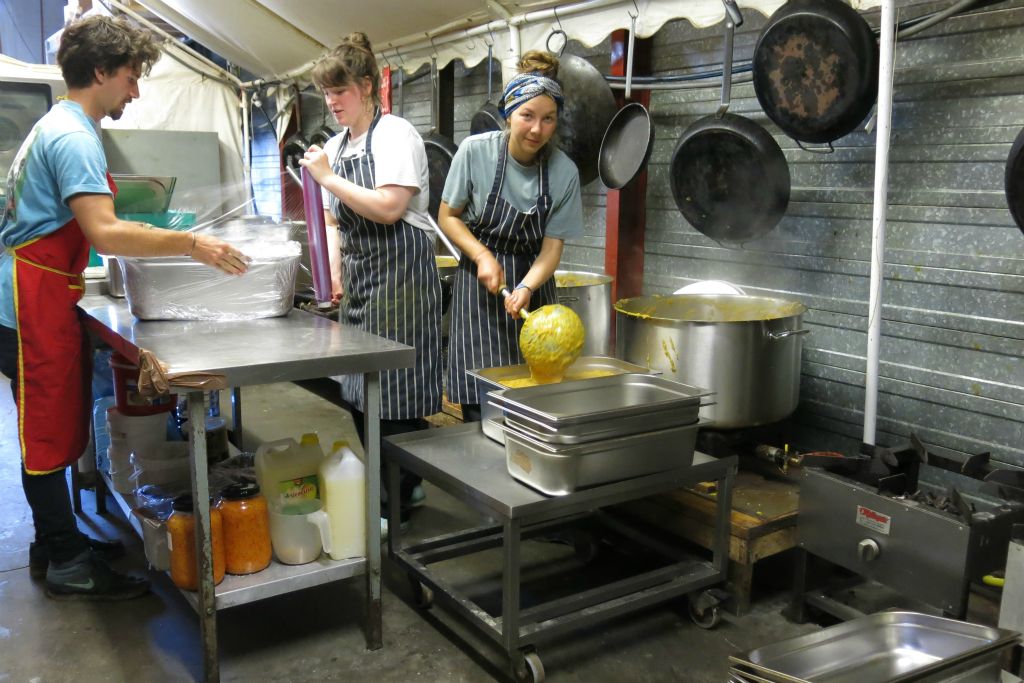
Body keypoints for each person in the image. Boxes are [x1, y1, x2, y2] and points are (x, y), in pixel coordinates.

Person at [0, 15, 249, 601]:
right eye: (131, 78)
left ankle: (54, 539)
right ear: (101, 72)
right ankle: (64, 560)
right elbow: (105, 233)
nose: (135, 92)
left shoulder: (59, 124)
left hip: (38, 288)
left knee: (57, 426)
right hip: (28, 299)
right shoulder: (73, 136)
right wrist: (193, 243)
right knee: (46, 431)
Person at [299, 33, 442, 532]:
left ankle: (394, 500)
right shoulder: (337, 146)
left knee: (398, 391)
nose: (332, 102)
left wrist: (326, 177)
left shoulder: (395, 134)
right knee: (359, 388)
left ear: (367, 87)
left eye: (340, 91)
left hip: (402, 275)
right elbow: (335, 221)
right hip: (361, 280)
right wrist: (335, 275)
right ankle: (398, 485)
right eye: (326, 93)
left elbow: (388, 207)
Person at [438, 50, 584, 420]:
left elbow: (552, 248)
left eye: (548, 119)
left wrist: (526, 288)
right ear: (508, 112)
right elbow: (448, 217)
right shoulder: (475, 153)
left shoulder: (564, 171)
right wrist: (484, 256)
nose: (537, 129)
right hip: (479, 284)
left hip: (534, 285)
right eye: (527, 116)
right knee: (481, 398)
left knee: (536, 398)